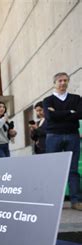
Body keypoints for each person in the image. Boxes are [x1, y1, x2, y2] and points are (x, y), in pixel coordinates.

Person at [43, 72, 82, 210]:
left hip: (72, 135)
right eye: (60, 80)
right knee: (54, 169)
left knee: (73, 169)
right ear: (54, 83)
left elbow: (80, 113)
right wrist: (70, 113)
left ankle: (76, 201)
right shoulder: (47, 100)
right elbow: (49, 117)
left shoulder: (76, 98)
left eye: (65, 80)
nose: (63, 83)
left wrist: (58, 113)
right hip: (53, 136)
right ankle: (54, 201)